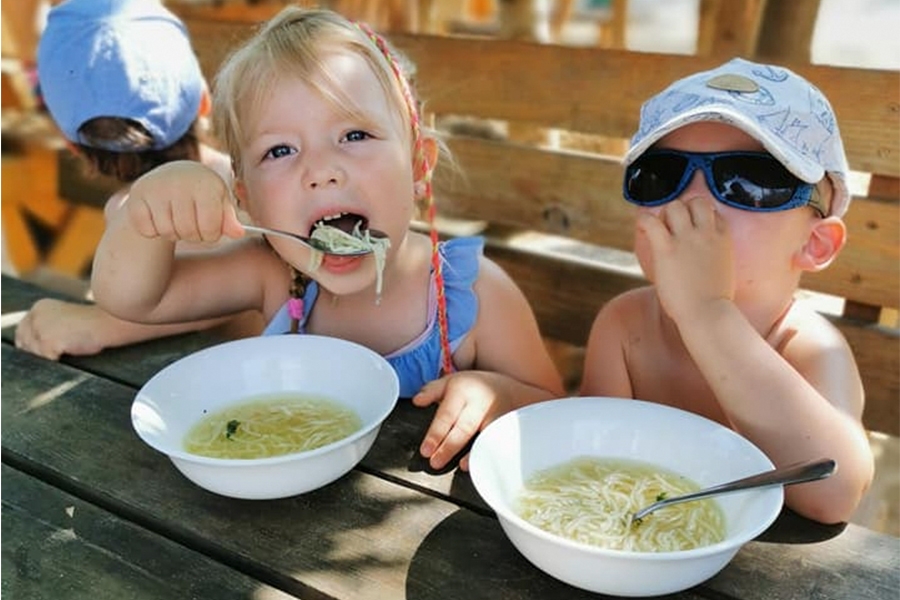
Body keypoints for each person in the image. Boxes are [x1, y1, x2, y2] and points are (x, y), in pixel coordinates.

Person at [90, 6, 565, 471]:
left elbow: (554, 409)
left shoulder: (473, 293)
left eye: (354, 135)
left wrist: (497, 396)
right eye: (280, 150)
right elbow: (134, 300)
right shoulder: (271, 274)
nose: (320, 172)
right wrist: (143, 217)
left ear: (419, 164)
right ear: (246, 198)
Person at [579, 58, 874, 524]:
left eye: (748, 182)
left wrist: (706, 312)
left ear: (815, 244)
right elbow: (587, 453)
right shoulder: (624, 326)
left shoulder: (812, 349)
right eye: (661, 174)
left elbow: (833, 493)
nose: (693, 202)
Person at [14, 0, 264, 360]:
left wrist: (98, 324)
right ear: (204, 101)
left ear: (70, 143)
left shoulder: (132, 211)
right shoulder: (242, 179)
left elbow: (215, 299)